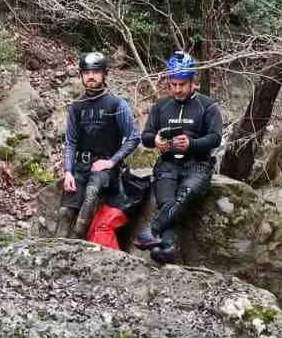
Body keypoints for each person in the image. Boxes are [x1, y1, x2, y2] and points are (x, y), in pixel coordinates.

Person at [134, 51, 222, 264]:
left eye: (182, 84)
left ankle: (153, 230)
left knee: (185, 194)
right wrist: (156, 141)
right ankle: (168, 247)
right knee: (166, 201)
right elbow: (145, 137)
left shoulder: (208, 106)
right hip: (168, 163)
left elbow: (215, 138)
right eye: (173, 84)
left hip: (198, 165)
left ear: (193, 82)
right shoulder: (161, 106)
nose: (177, 89)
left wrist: (192, 144)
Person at [57, 51, 140, 236]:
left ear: (104, 74)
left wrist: (112, 162)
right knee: (65, 212)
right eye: (87, 73)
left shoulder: (117, 104)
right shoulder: (76, 106)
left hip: (107, 169)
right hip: (81, 167)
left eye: (95, 72)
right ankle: (56, 247)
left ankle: (78, 243)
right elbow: (71, 141)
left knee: (91, 196)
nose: (91, 77)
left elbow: (134, 137)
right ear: (81, 76)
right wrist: (68, 172)